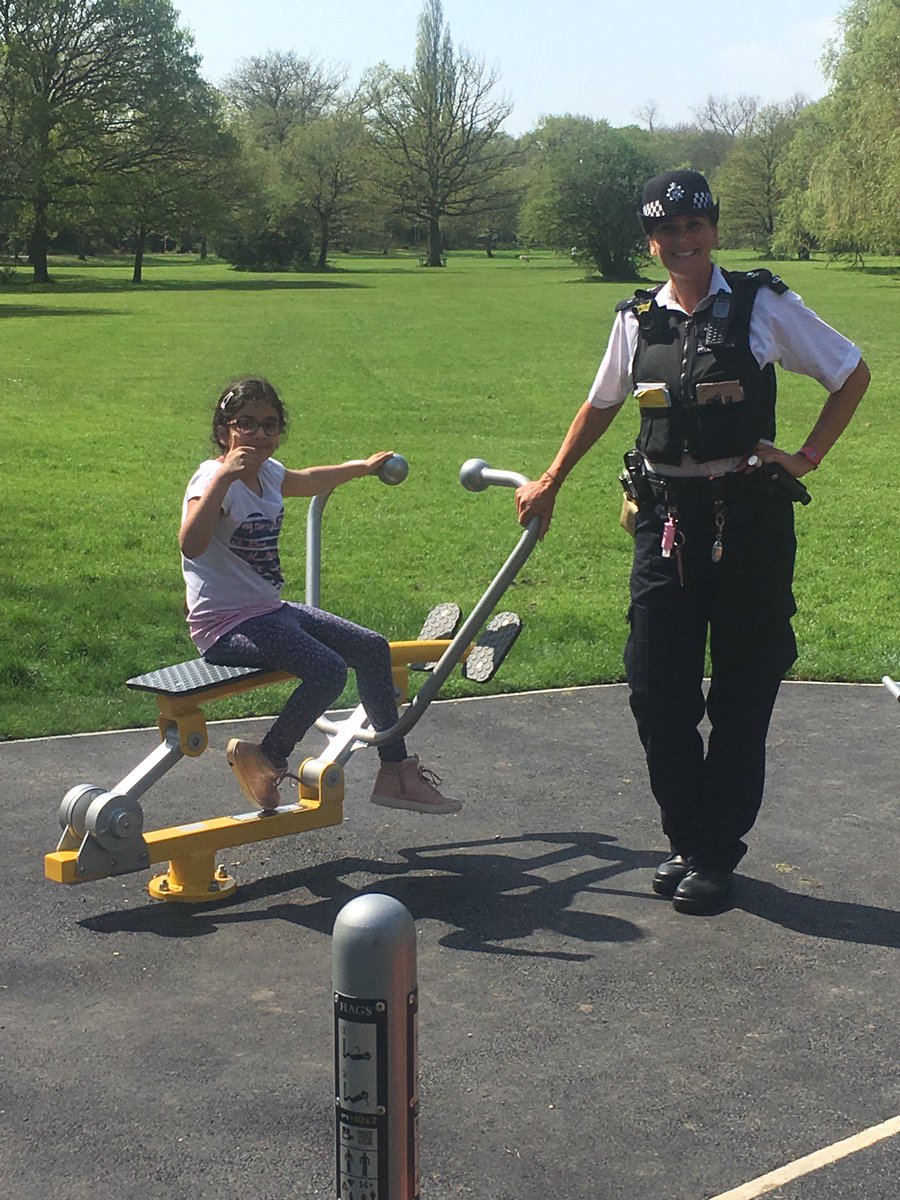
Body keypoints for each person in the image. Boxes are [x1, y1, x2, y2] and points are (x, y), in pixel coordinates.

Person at [515, 169, 869, 914]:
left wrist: (804, 457)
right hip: (663, 519)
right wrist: (550, 478)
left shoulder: (763, 305)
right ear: (651, 241)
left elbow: (850, 372)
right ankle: (685, 837)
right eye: (666, 231)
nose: (682, 241)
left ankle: (715, 852)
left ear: (714, 229)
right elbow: (601, 403)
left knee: (743, 688)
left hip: (749, 518)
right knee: (655, 688)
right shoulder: (638, 318)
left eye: (694, 226)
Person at [179, 376, 460, 815]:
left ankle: (395, 771)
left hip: (270, 612)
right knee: (327, 670)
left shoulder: (269, 474)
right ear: (223, 431)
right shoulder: (211, 478)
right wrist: (223, 479)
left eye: (269, 425)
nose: (258, 435)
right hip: (225, 627)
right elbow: (190, 543)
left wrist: (362, 467)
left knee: (371, 648)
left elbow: (309, 479)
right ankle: (267, 757)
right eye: (245, 424)